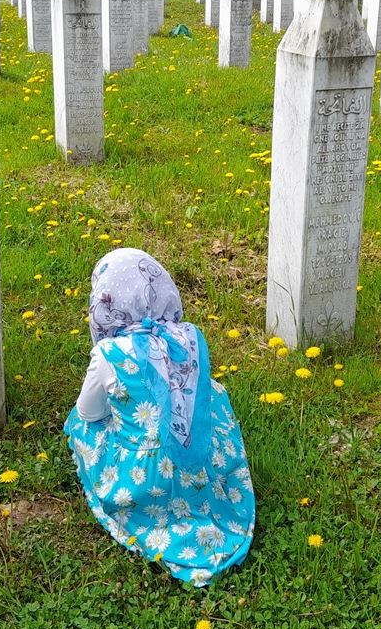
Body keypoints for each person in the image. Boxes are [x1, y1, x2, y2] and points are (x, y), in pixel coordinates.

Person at [64, 249, 255, 586]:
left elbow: (89, 411)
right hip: (197, 465)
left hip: (145, 480)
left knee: (80, 423)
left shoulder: (109, 354)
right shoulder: (188, 337)